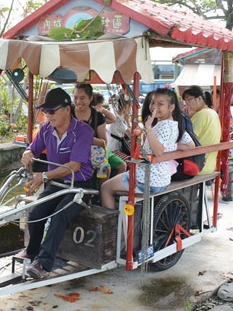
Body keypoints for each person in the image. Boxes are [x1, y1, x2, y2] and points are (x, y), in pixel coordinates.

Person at [18, 88, 94, 279]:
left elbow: (74, 166)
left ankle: (43, 264)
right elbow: (33, 149)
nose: (48, 115)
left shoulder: (83, 131)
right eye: (46, 112)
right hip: (55, 182)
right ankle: (32, 251)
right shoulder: (45, 130)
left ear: (67, 109)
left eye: (52, 111)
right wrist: (28, 153)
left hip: (80, 185)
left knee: (59, 215)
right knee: (35, 213)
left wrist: (43, 176)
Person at [100, 88, 185, 209]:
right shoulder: (172, 124)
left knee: (106, 188)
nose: (154, 107)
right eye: (152, 102)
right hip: (160, 178)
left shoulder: (165, 125)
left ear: (171, 108)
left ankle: (112, 226)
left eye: (160, 104)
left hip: (147, 180)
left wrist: (148, 127)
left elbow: (158, 152)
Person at [181, 85, 221, 175]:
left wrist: (187, 120)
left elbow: (187, 141)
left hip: (197, 165)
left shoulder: (201, 115)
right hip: (209, 164)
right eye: (185, 100)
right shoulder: (211, 112)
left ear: (199, 98)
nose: (186, 103)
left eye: (189, 99)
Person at [72, 83, 109, 180]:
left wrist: (87, 138)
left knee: (106, 168)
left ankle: (101, 194)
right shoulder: (68, 112)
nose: (78, 101)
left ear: (90, 98)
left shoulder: (98, 116)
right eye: (75, 97)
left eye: (82, 98)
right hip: (69, 152)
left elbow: (104, 142)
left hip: (91, 154)